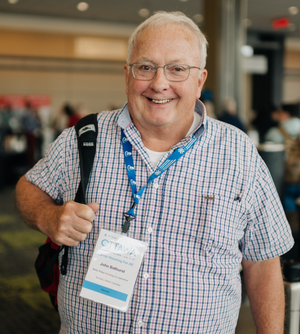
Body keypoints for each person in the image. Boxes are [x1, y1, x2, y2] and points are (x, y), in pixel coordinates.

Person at [16, 11, 294, 334]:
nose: (159, 84)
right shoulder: (83, 139)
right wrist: (48, 217)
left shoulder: (238, 154)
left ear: (200, 80)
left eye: (177, 69)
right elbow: (27, 189)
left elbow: (262, 263)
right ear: (127, 75)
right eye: (145, 67)